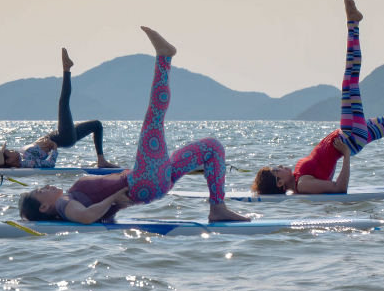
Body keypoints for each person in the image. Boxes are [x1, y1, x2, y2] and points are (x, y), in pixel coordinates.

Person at [18, 28, 250, 224]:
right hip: (143, 181)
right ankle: (164, 58)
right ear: (43, 208)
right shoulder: (63, 203)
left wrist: (111, 209)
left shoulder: (67, 199)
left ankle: (217, 208)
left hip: (150, 182)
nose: (46, 186)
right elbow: (86, 217)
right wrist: (113, 199)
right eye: (41, 192)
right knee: (154, 117)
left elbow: (95, 215)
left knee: (212, 148)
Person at [252, 0, 384, 195]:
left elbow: (327, 172)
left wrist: (341, 154)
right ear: (280, 184)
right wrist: (346, 154)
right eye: (276, 171)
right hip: (350, 135)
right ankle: (352, 22)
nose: (279, 166)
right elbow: (339, 188)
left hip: (350, 136)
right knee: (349, 80)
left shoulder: (299, 178)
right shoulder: (302, 185)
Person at [0, 48, 117, 170]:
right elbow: (49, 165)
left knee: (97, 125)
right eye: (9, 151)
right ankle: (66, 68)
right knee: (63, 103)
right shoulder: (26, 163)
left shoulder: (22, 157)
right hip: (64, 137)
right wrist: (54, 147)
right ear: (9, 161)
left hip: (61, 135)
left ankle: (101, 160)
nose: (12, 149)